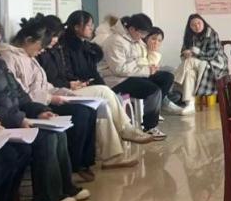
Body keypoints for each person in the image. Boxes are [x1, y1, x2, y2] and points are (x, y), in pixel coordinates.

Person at [0, 15, 85, 201]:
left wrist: (39, 111)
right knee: (44, 138)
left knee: (57, 132)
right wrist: (19, 119)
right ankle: (46, 197)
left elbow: (20, 94)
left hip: (13, 117)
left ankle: (64, 188)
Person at [39, 10, 151, 160]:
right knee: (104, 92)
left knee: (104, 106)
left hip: (73, 86)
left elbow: (73, 72)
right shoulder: (57, 49)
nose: (92, 28)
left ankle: (111, 155)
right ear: (76, 27)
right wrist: (70, 83)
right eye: (89, 25)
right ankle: (125, 129)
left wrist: (75, 82)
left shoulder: (78, 47)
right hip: (58, 92)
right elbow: (53, 78)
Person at [0, 15, 99, 182]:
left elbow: (44, 84)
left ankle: (83, 163)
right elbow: (21, 93)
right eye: (41, 46)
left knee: (88, 109)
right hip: (31, 106)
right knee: (79, 114)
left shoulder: (29, 57)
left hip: (41, 100)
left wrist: (64, 92)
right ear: (28, 40)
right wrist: (50, 98)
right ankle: (74, 166)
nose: (43, 50)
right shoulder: (8, 57)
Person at [98, 14, 181, 137]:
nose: (143, 37)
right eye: (142, 33)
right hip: (117, 80)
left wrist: (150, 67)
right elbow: (119, 69)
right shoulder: (115, 41)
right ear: (132, 29)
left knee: (167, 77)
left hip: (135, 74)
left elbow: (141, 60)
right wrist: (147, 70)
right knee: (153, 90)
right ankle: (150, 127)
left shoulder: (135, 39)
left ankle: (157, 107)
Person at [177, 14, 229, 105]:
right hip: (199, 63)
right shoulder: (189, 36)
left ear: (203, 22)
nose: (197, 26)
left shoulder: (212, 33)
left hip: (214, 63)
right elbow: (183, 52)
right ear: (189, 27)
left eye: (199, 23)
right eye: (193, 25)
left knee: (190, 61)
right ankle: (189, 104)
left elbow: (212, 54)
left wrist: (195, 53)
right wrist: (185, 54)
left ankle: (175, 84)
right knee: (189, 73)